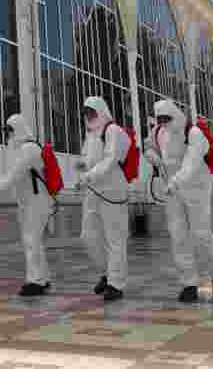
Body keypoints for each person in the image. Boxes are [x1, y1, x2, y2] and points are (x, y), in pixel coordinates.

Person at [146, 99, 213, 303]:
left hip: (196, 188)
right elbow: (152, 149)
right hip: (172, 190)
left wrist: (175, 182)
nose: (163, 123)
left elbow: (191, 164)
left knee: (201, 233)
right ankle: (189, 283)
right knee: (178, 235)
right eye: (160, 119)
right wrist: (153, 157)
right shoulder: (159, 132)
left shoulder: (193, 133)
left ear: (174, 115)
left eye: (166, 119)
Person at [0, 113, 53, 296]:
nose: (8, 134)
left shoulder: (28, 149)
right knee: (33, 241)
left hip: (36, 201)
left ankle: (35, 281)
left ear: (19, 129)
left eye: (10, 130)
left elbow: (14, 174)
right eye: (6, 130)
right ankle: (42, 278)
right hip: (30, 201)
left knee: (31, 240)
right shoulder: (23, 148)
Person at [76, 96, 128, 302]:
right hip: (92, 191)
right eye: (85, 113)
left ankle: (116, 283)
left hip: (112, 191)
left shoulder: (112, 130)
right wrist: (81, 167)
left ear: (101, 111)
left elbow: (111, 159)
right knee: (88, 236)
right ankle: (107, 273)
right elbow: (87, 160)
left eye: (91, 112)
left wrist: (88, 175)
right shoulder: (90, 135)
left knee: (114, 238)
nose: (88, 116)